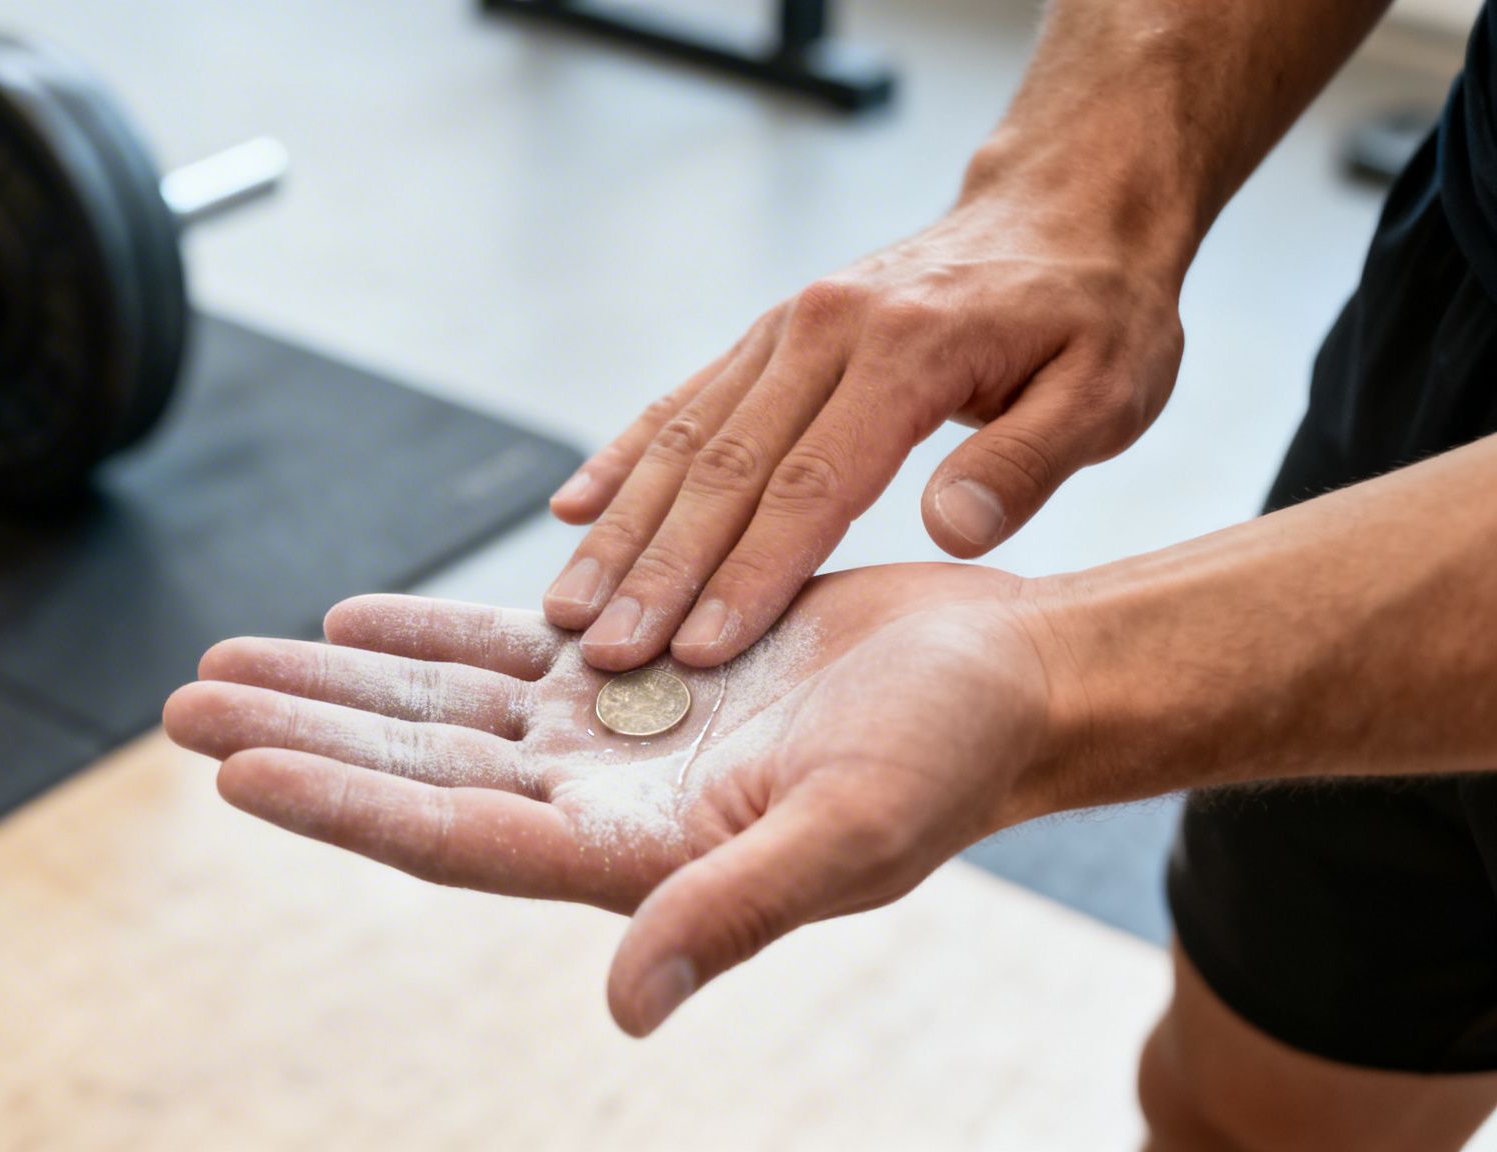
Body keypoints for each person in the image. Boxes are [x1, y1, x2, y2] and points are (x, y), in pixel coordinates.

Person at [165, 1, 1497, 1147]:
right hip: (1467, 303)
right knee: (1246, 1114)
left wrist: (1047, 672)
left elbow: (1049, 677)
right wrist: (1088, 179)